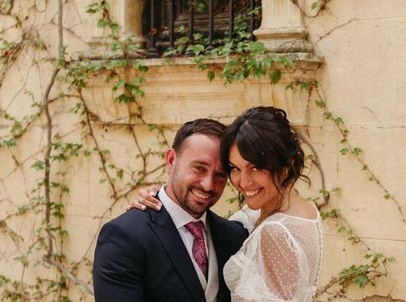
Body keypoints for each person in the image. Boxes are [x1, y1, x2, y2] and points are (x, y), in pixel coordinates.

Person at [134, 106, 323, 302]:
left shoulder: (275, 232)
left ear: (286, 165)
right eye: (235, 168)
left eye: (256, 167)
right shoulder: (299, 210)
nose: (243, 181)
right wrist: (160, 197)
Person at [92, 118, 248, 302]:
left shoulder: (235, 237)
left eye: (220, 175)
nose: (208, 185)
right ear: (171, 160)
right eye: (199, 168)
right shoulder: (125, 236)